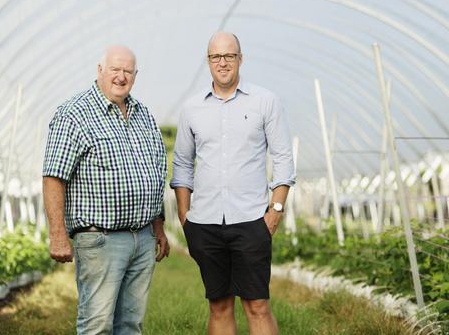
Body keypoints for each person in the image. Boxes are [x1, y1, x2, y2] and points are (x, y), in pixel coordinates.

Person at [170, 32, 295, 335]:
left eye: (229, 56)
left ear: (241, 58)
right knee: (220, 305)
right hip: (205, 222)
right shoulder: (191, 109)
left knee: (257, 305)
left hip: (252, 220)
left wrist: (275, 210)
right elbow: (183, 164)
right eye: (216, 56)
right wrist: (185, 218)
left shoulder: (265, 101)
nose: (222, 62)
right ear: (208, 61)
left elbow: (282, 158)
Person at [42, 45, 170, 335]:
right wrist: (58, 235)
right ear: (100, 70)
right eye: (115, 69)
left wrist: (158, 228)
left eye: (128, 71)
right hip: (101, 240)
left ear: (135, 75)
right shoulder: (74, 114)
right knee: (97, 325)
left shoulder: (143, 115)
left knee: (131, 324)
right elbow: (53, 177)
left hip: (142, 238)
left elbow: (155, 173)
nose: (121, 76)